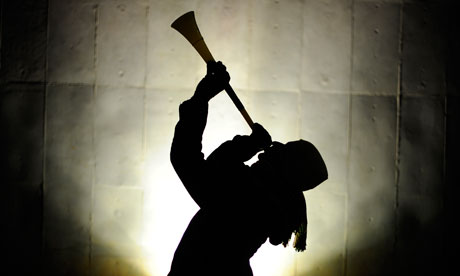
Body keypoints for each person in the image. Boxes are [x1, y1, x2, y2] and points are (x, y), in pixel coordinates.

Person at [168, 61, 328, 276]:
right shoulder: (271, 201)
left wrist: (202, 97)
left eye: (285, 149)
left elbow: (187, 160)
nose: (277, 146)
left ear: (287, 169)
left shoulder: (250, 194)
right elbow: (214, 166)